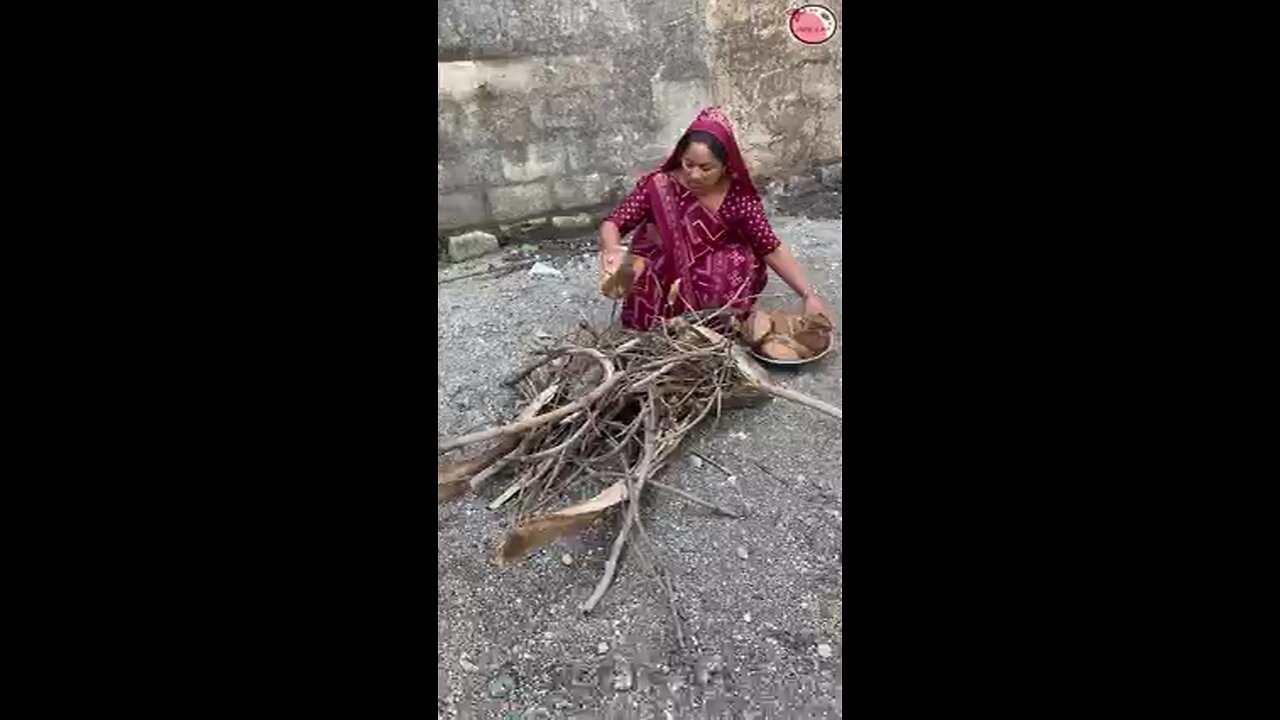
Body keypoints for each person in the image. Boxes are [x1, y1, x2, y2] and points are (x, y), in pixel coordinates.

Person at [597, 106, 830, 330]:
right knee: (638, 270)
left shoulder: (738, 198)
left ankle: (714, 328)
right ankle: (652, 328)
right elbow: (613, 223)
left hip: (709, 261)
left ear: (725, 166)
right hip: (662, 259)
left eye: (706, 168)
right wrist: (612, 252)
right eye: (688, 164)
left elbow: (770, 248)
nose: (694, 175)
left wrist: (808, 295)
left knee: (740, 264)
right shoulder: (659, 185)